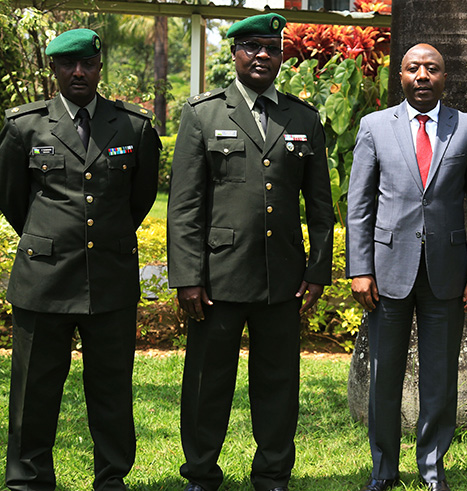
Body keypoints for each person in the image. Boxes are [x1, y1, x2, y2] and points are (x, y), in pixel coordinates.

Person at [167, 12, 334, 491]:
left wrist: (317, 270)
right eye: (253, 47)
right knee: (207, 382)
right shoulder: (204, 114)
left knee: (278, 382)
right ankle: (200, 472)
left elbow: (320, 207)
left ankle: (273, 472)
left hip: (283, 276)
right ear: (235, 54)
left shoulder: (301, 118)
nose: (263, 56)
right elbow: (184, 206)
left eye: (273, 48)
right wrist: (187, 277)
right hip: (218, 276)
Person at [0, 28, 160, 491]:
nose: (79, 72)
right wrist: (50, 239)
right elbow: (12, 200)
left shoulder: (133, 127)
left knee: (111, 391)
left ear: (100, 67)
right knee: (34, 390)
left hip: (110, 279)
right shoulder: (25, 126)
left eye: (87, 63)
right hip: (43, 280)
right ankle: (28, 479)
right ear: (55, 69)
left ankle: (110, 479)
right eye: (69, 65)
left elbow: (139, 198)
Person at [346, 43, 467, 491]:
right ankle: (383, 469)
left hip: (447, 273)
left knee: (439, 377)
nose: (423, 75)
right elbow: (359, 206)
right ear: (402, 76)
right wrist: (360, 268)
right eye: (414, 68)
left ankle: (432, 469)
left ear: (445, 78)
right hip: (387, 272)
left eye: (433, 68)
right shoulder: (375, 127)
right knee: (384, 375)